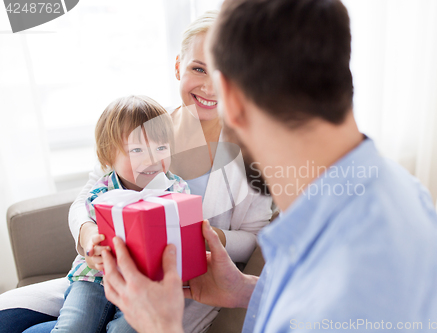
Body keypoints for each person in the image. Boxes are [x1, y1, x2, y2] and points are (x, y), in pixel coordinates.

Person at [101, 0, 437, 332]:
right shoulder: (393, 188)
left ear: (229, 99)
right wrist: (246, 290)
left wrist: (161, 328)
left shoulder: (340, 294)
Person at [0, 10, 273, 333]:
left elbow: (256, 240)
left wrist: (201, 235)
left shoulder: (254, 156)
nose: (210, 86)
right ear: (177, 67)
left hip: (180, 292)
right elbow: (89, 196)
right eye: (198, 68)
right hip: (99, 278)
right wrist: (89, 237)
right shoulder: (142, 124)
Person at [52, 95, 192, 333]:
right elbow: (89, 232)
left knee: (127, 329)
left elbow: (187, 237)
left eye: (161, 148)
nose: (152, 159)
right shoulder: (101, 192)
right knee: (74, 326)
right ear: (108, 157)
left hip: (147, 285)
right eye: (136, 150)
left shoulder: (177, 189)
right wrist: (93, 246)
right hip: (94, 278)